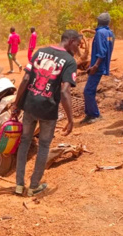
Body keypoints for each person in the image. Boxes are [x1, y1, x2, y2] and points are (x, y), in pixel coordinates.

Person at [11, 30, 80, 197]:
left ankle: (19, 185)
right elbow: (64, 91)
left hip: (29, 106)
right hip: (48, 110)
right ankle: (34, 186)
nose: (78, 47)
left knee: (25, 142)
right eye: (78, 43)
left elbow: (26, 79)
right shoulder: (69, 61)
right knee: (43, 146)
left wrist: (17, 104)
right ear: (70, 41)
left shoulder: (40, 52)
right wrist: (71, 120)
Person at [82, 13, 115, 124]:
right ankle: (89, 114)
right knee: (89, 90)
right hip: (101, 65)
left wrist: (95, 66)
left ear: (99, 21)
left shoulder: (100, 33)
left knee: (88, 91)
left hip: (98, 66)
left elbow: (102, 52)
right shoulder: (110, 33)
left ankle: (95, 114)